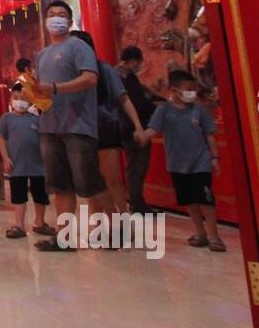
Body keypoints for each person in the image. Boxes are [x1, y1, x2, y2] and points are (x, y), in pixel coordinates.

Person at [30, 1, 112, 252]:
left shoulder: (79, 46)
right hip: (50, 125)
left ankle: (116, 231)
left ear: (69, 21)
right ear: (45, 21)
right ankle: (63, 238)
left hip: (78, 125)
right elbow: (42, 88)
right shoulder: (42, 55)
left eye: (61, 15)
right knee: (60, 185)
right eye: (51, 15)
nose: (56, 19)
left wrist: (56, 88)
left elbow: (90, 78)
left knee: (89, 183)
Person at [142, 69, 224, 251]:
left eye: (193, 88)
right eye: (188, 88)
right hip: (177, 164)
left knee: (206, 199)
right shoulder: (164, 111)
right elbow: (152, 130)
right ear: (174, 90)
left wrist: (215, 157)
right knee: (189, 201)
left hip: (200, 162)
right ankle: (200, 232)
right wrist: (141, 136)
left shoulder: (199, 111)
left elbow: (210, 135)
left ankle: (214, 236)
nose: (191, 93)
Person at [71, 30, 145, 215]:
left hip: (105, 128)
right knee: (89, 181)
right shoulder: (67, 74)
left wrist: (137, 125)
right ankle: (98, 223)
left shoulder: (103, 69)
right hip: (80, 130)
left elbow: (123, 99)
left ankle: (123, 218)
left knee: (111, 178)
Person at [0, 83, 52, 238]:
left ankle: (40, 222)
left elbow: (44, 140)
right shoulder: (6, 119)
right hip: (17, 166)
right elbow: (1, 139)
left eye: (23, 98)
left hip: (38, 166)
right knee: (18, 195)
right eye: (16, 98)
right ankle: (19, 225)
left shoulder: (37, 119)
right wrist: (5, 158)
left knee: (40, 195)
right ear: (10, 99)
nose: (19, 101)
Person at [118, 45, 163, 213]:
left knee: (133, 166)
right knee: (137, 167)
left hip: (123, 127)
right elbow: (138, 103)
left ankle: (136, 202)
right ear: (133, 61)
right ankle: (137, 204)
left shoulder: (115, 75)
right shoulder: (127, 77)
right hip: (134, 129)